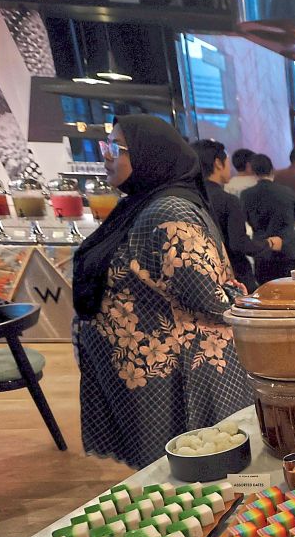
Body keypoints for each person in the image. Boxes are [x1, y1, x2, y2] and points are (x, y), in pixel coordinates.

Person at [71, 115, 252, 469]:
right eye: (106, 146)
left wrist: (244, 301)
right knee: (179, 469)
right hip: (155, 371)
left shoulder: (169, 211)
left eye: (116, 148)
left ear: (150, 154)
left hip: (181, 375)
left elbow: (206, 294)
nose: (106, 155)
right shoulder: (145, 204)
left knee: (193, 467)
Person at [192, 138, 281, 293]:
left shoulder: (191, 199)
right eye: (226, 160)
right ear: (218, 163)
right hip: (235, 277)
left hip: (204, 279)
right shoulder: (228, 200)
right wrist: (270, 243)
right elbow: (239, 243)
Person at [243, 154, 295, 285]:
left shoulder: (246, 195)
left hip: (262, 250)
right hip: (288, 249)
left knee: (267, 292)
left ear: (253, 172)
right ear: (272, 170)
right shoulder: (286, 192)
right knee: (291, 289)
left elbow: (246, 219)